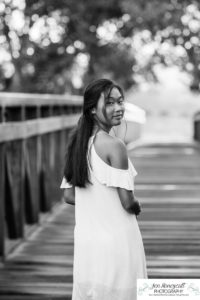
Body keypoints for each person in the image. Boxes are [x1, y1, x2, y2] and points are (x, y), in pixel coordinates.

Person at [60, 78, 147, 300]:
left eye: (120, 101)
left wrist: (97, 200)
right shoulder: (115, 145)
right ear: (91, 109)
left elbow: (69, 195)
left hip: (88, 244)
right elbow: (127, 203)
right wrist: (138, 207)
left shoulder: (78, 144)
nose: (118, 108)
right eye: (109, 103)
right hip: (117, 242)